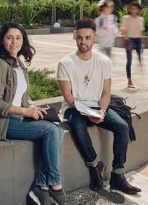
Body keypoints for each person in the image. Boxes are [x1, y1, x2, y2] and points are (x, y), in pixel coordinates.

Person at [0, 22, 76, 205]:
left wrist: (31, 107)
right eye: (9, 37)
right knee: (50, 131)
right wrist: (25, 112)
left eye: (18, 38)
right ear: (2, 40)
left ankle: (41, 186)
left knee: (57, 128)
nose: (13, 42)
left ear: (23, 40)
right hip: (2, 123)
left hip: (17, 117)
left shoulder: (19, 64)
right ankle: (56, 186)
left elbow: (21, 98)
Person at [57, 19, 141, 194]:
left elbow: (106, 93)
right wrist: (86, 113)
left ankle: (118, 175)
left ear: (94, 38)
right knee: (78, 127)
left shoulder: (103, 62)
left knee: (122, 126)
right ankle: (95, 166)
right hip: (74, 108)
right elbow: (68, 96)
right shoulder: (65, 63)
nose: (83, 42)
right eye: (80, 38)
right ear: (75, 38)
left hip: (97, 106)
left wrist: (101, 111)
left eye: (87, 38)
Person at [120, 2, 145, 89]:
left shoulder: (141, 19)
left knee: (140, 58)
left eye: (135, 9)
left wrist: (142, 42)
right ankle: (129, 80)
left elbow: (141, 31)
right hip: (129, 40)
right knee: (129, 61)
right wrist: (124, 33)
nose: (133, 10)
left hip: (138, 40)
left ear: (138, 10)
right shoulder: (125, 18)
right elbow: (122, 28)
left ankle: (139, 72)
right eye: (132, 8)